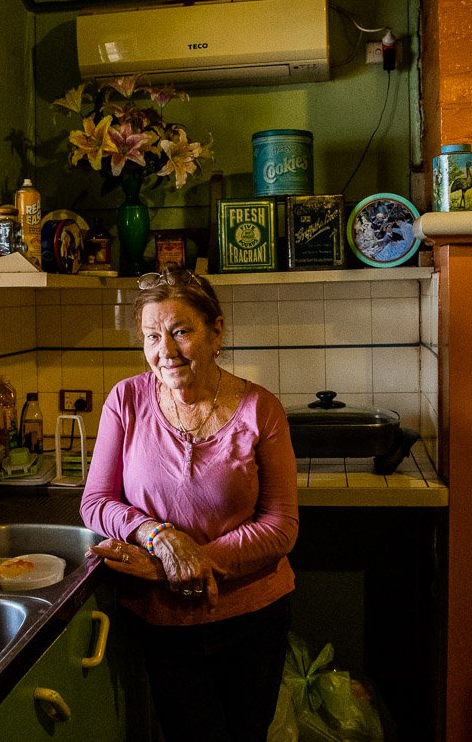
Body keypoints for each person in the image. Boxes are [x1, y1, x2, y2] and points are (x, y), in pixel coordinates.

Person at [80, 266, 299, 742]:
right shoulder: (126, 400)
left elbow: (281, 527)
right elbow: (96, 502)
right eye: (152, 336)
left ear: (216, 330)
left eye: (181, 332)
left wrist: (182, 564)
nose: (166, 352)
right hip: (165, 620)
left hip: (252, 617)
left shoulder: (261, 409)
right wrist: (161, 538)